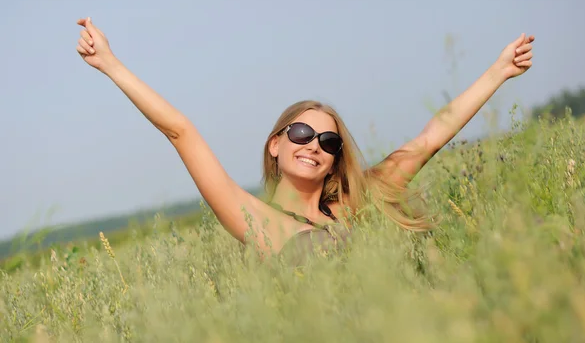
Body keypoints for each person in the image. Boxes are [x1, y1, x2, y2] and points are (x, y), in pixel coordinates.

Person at [75, 17, 534, 265]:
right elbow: (181, 131)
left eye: (329, 142)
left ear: (335, 160)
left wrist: (499, 72)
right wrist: (111, 65)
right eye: (301, 133)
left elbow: (429, 140)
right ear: (275, 143)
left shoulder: (353, 204)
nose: (314, 145)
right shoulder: (253, 219)